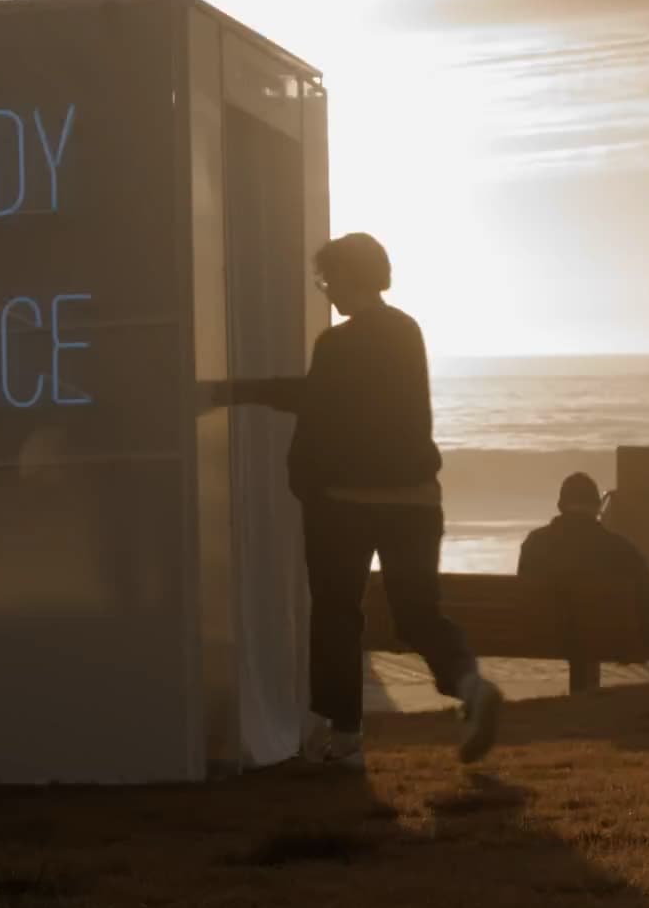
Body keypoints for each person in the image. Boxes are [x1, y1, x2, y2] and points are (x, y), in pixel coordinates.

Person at [210, 232, 502, 769]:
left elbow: (313, 405)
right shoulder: (408, 332)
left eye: (328, 279)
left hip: (346, 503)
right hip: (416, 499)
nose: (326, 291)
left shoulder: (338, 344)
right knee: (417, 614)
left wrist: (231, 392)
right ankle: (469, 683)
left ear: (348, 276)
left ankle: (345, 741)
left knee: (338, 616)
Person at [519, 473, 649, 690]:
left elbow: (523, 593)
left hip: (545, 636)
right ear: (597, 507)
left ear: (560, 505)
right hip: (616, 639)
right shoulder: (619, 547)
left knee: (578, 621)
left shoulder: (534, 543)